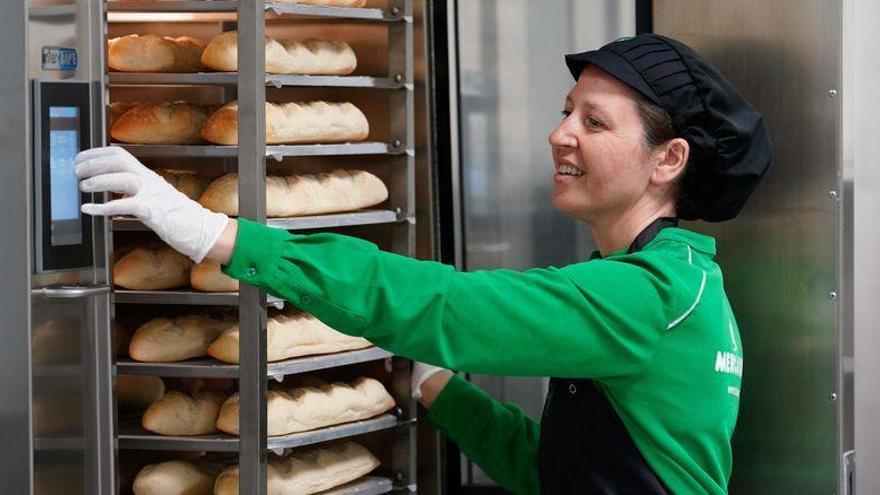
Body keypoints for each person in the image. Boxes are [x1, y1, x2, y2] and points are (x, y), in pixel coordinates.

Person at [75, 34, 771, 494]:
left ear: (668, 159)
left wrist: (220, 236)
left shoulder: (645, 294)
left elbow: (446, 304)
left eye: (594, 121)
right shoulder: (680, 280)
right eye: (566, 112)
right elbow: (558, 472)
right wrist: (436, 386)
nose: (560, 133)